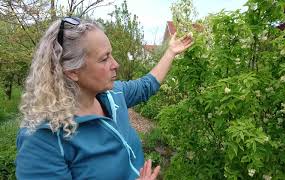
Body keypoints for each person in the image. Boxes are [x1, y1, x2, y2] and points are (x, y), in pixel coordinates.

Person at [15, 17, 193, 180]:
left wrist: (170, 52)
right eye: (104, 58)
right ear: (72, 71)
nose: (116, 64)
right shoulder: (44, 139)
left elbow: (147, 85)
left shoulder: (113, 94)